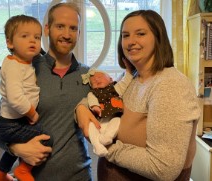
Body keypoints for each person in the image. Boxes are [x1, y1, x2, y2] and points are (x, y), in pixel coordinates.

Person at [76, 10, 201, 181]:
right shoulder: (132, 77)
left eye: (140, 34)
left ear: (158, 38)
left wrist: (105, 146)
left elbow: (163, 168)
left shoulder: (170, 85)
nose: (130, 42)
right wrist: (81, 109)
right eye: (125, 35)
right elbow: (102, 97)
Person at [0, 2, 96, 181]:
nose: (67, 34)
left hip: (81, 176)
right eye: (60, 26)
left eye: (73, 28)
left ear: (79, 33)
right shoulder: (27, 69)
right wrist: (16, 148)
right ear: (47, 29)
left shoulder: (88, 75)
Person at [0, 14, 53, 181]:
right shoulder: (13, 67)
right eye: (25, 36)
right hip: (10, 124)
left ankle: (0, 175)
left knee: (11, 152)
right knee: (47, 137)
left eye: (37, 37)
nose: (32, 41)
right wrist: (32, 114)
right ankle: (24, 170)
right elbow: (15, 98)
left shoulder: (26, 63)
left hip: (13, 123)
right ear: (10, 43)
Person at [81, 69, 132, 157]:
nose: (96, 80)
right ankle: (97, 146)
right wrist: (94, 106)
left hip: (113, 116)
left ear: (111, 79)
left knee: (117, 121)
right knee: (90, 126)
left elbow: (125, 82)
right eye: (92, 81)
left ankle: (107, 137)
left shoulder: (115, 88)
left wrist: (128, 71)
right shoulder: (93, 93)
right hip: (99, 120)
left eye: (99, 77)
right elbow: (91, 99)